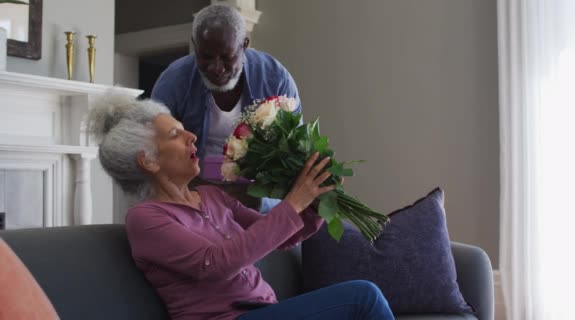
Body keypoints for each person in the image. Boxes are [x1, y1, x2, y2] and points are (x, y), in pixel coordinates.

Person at [87, 94, 394, 320]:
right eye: (175, 135)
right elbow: (216, 263)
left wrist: (314, 202)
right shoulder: (146, 219)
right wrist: (294, 200)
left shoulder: (211, 196)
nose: (192, 136)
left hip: (265, 311)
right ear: (149, 160)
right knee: (363, 297)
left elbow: (281, 236)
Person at [151, 4, 299, 212]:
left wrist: (254, 198)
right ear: (194, 45)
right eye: (206, 57)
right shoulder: (174, 82)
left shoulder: (275, 79)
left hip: (258, 199)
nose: (216, 67)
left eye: (227, 57)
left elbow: (293, 153)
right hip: (194, 198)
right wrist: (196, 196)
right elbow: (156, 153)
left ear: (244, 45)